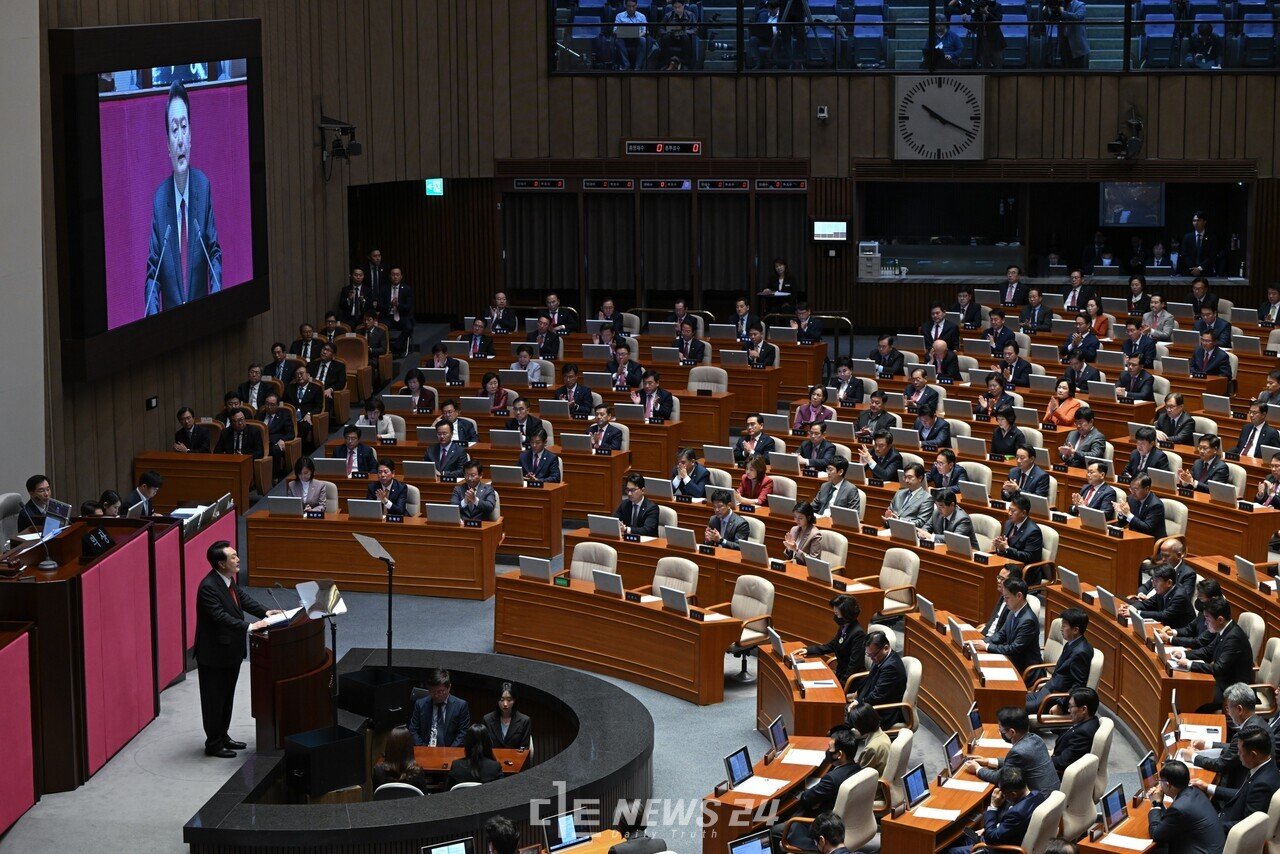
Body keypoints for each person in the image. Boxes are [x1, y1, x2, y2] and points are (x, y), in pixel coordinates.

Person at [144, 81, 221, 315]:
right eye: (174, 129)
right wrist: (153, 321)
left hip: (203, 318)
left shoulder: (202, 185)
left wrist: (218, 303)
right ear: (168, 145)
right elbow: (152, 272)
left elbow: (214, 253)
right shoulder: (160, 200)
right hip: (171, 325)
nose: (180, 138)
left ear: (191, 137)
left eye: (184, 127)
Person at [194, 541, 277, 756]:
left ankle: (223, 735)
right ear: (221, 564)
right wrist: (250, 626)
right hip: (214, 655)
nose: (238, 559)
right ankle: (213, 743)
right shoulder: (208, 587)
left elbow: (244, 600)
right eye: (232, 557)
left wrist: (266, 613)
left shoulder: (228, 581)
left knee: (227, 696)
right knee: (214, 699)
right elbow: (220, 617)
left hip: (230, 651)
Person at [768, 732, 860, 853]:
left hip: (822, 823)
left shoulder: (831, 780)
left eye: (830, 748)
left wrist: (812, 797)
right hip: (844, 819)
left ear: (839, 754)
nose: (827, 751)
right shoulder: (857, 768)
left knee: (774, 830)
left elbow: (806, 799)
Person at [1168, 599, 1254, 710]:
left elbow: (1219, 668)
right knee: (1187, 692)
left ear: (1220, 619)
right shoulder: (1225, 630)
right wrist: (1184, 654)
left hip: (1231, 689)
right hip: (1220, 681)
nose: (1205, 623)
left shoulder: (1233, 638)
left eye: (1207, 619)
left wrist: (1189, 664)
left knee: (1194, 700)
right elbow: (1207, 651)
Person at [1195, 726, 1280, 831]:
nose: (1238, 754)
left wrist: (1208, 826)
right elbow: (1242, 794)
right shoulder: (1266, 766)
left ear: (1253, 755)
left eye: (1240, 751)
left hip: (1225, 830)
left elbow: (1247, 826)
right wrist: (1208, 787)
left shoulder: (1263, 785)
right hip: (1227, 816)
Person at [946, 766, 1047, 854]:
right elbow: (1010, 827)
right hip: (1003, 835)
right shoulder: (1038, 795)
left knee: (950, 851)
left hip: (997, 848)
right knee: (965, 834)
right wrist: (987, 829)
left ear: (1013, 794)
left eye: (1003, 793)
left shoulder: (1017, 813)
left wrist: (993, 807)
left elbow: (991, 839)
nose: (1000, 795)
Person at [963, 707, 1056, 795]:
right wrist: (988, 761)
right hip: (1051, 796)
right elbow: (1016, 763)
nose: (1000, 733)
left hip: (1037, 802)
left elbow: (999, 777)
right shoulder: (1036, 739)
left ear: (1012, 732)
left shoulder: (1018, 752)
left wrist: (977, 769)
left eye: (1001, 731)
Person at [1146, 760, 1226, 853]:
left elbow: (1156, 834)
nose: (1159, 785)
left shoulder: (1179, 809)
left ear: (1167, 784)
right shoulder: (1195, 791)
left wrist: (1156, 804)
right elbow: (1171, 820)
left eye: (1160, 781)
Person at [1026, 608, 1093, 715]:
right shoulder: (1070, 644)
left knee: (1016, 707)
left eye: (1064, 626)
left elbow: (1078, 686)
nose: (1061, 629)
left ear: (1075, 630)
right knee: (1013, 699)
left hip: (1054, 698)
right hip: (1046, 691)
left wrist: (1061, 705)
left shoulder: (1081, 652)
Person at [973, 577, 1042, 677]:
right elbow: (1001, 635)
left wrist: (987, 647)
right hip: (1011, 660)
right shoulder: (1012, 611)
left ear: (1019, 596)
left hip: (1025, 670)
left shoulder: (1028, 620)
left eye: (1007, 597)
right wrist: (982, 642)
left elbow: (1014, 649)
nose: (1004, 601)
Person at [798, 595, 865, 688]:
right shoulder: (844, 627)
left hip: (850, 682)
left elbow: (854, 665)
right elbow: (831, 646)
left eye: (837, 614)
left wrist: (841, 685)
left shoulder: (858, 634)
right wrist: (808, 650)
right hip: (840, 675)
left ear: (846, 614)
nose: (835, 616)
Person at [846, 631, 907, 729]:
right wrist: (857, 698)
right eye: (868, 655)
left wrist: (859, 703)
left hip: (883, 712)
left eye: (873, 655)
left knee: (843, 721)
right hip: (872, 704)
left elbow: (877, 696)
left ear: (886, 648)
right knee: (839, 711)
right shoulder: (880, 658)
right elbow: (870, 679)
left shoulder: (891, 667)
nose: (872, 659)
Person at [409, 668, 471, 747]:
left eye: (440, 691)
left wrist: (450, 751)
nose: (436, 695)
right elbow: (413, 730)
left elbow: (463, 732)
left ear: (449, 688)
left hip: (449, 750)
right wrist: (422, 748)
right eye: (432, 691)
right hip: (425, 749)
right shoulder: (420, 704)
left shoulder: (461, 705)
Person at [1122, 564, 1195, 629]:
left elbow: (1165, 615)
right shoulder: (1163, 590)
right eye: (1153, 581)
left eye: (1157, 581)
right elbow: (1148, 603)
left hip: (1180, 634)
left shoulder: (1179, 596)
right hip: (1165, 628)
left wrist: (1137, 612)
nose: (1153, 585)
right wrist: (1132, 607)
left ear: (1169, 583)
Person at [992, 499, 1046, 585]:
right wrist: (1000, 547)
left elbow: (1029, 557)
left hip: (1025, 572)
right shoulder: (1008, 523)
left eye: (1013, 511)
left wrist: (1007, 549)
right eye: (1009, 509)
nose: (1009, 513)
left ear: (1023, 513)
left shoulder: (1033, 531)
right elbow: (1005, 546)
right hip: (1008, 566)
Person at [1050, 688, 1102, 777]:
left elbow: (1063, 763)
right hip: (1056, 756)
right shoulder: (1090, 721)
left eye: (1071, 706)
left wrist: (1043, 758)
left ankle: (1033, 791)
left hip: (1057, 776)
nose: (1069, 710)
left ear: (1083, 709)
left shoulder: (1083, 733)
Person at [372, 726, 430, 792]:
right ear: (409, 749)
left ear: (388, 747)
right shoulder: (417, 773)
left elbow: (375, 797)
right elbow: (424, 798)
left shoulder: (378, 771)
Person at [1113, 473, 1168, 539]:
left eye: (1135, 489)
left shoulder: (1156, 505)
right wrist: (1121, 513)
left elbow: (1147, 528)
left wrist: (1128, 514)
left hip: (1150, 540)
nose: (1132, 492)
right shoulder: (1131, 499)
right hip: (1134, 536)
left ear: (1147, 489)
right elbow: (1122, 523)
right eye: (1131, 488)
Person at [483, 682, 532, 750]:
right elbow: (485, 746)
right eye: (502, 700)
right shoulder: (487, 719)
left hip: (516, 759)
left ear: (514, 700)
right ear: (497, 700)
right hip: (493, 759)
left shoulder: (524, 720)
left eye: (509, 700)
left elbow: (524, 748)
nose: (505, 704)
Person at [884, 463, 934, 527]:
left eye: (910, 477)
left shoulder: (927, 498)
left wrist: (899, 520)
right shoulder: (899, 493)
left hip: (909, 532)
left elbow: (921, 522)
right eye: (905, 477)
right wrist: (887, 519)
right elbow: (889, 512)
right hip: (891, 528)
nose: (906, 480)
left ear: (920, 478)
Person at [383, 267, 414, 356]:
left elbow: (408, 307)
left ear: (401, 276)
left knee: (408, 327)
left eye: (397, 275)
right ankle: (384, 348)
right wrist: (390, 305)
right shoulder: (384, 288)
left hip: (402, 316)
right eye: (393, 275)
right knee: (381, 328)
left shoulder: (407, 289)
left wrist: (398, 305)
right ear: (390, 276)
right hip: (388, 316)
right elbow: (380, 306)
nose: (395, 277)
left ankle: (396, 347)